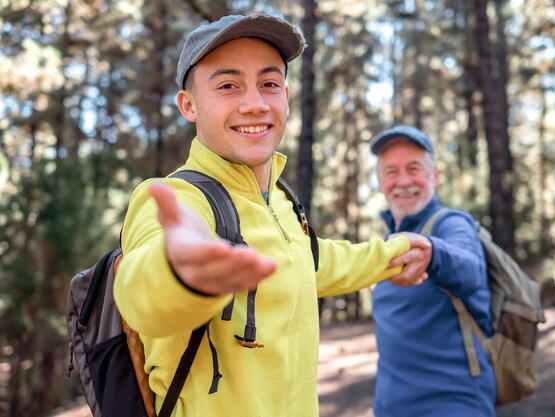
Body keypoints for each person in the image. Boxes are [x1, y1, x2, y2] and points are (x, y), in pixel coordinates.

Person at [113, 14, 430, 417]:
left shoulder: (280, 199)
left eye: (269, 84)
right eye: (228, 85)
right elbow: (141, 296)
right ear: (188, 105)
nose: (255, 103)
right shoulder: (178, 198)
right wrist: (182, 271)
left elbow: (314, 262)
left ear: (286, 96)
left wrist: (394, 253)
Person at [370, 125, 496, 417]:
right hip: (390, 407)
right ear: (379, 182)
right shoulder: (386, 242)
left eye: (414, 168)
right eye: (391, 171)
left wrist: (432, 251)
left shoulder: (450, 223)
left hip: (454, 404)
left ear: (435, 176)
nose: (403, 181)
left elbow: (470, 270)